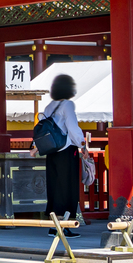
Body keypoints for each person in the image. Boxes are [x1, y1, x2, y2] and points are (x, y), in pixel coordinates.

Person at [40, 74, 88, 222]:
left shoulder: (49, 107)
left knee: (54, 184)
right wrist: (82, 144)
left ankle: (53, 223)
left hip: (51, 150)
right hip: (66, 149)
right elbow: (72, 126)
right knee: (67, 185)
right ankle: (65, 223)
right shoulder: (67, 105)